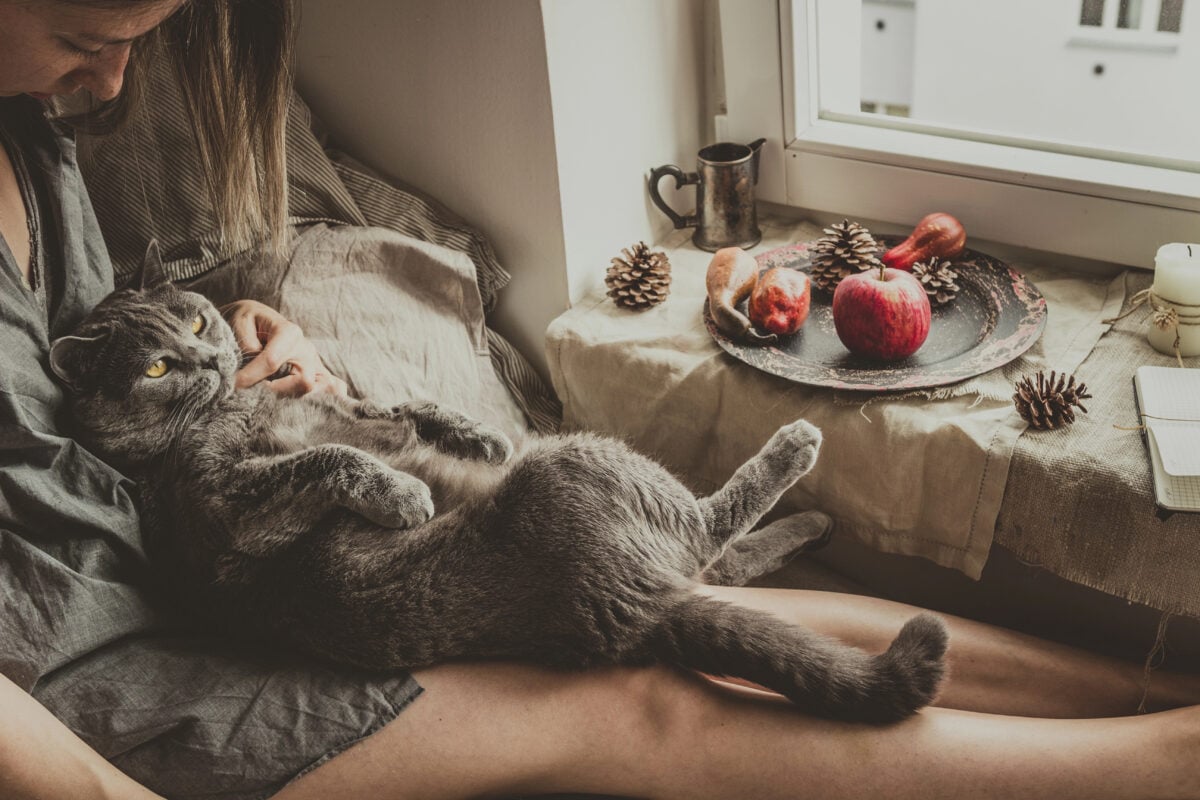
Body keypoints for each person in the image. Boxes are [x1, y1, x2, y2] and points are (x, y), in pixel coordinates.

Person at [1, 2, 1199, 799]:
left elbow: (72, 357)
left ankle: (1160, 699)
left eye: (139, 34)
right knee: (641, 694)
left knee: (677, 584)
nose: (111, 81)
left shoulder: (30, 125)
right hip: (108, 690)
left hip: (192, 561)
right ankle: (1162, 762)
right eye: (83, 32)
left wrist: (227, 340)